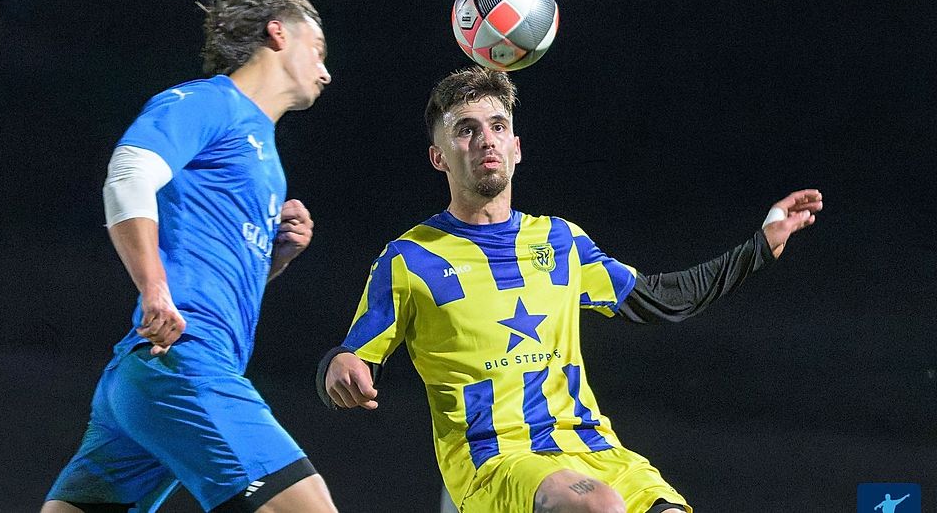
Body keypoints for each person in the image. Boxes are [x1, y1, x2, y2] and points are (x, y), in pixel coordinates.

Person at [318, 67, 823, 513]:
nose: (486, 140)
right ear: (439, 157)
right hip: (494, 460)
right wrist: (340, 367)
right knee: (600, 506)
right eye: (466, 131)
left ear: (517, 147)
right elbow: (355, 357)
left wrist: (759, 246)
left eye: (498, 127)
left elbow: (660, 298)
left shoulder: (560, 241)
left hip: (594, 449)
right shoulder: (411, 259)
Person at [43, 0, 338, 512]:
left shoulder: (265, 155)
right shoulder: (210, 103)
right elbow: (128, 174)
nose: (325, 69)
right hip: (184, 363)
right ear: (277, 33)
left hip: (149, 375)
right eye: (316, 48)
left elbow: (215, 270)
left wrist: (274, 258)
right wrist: (154, 288)